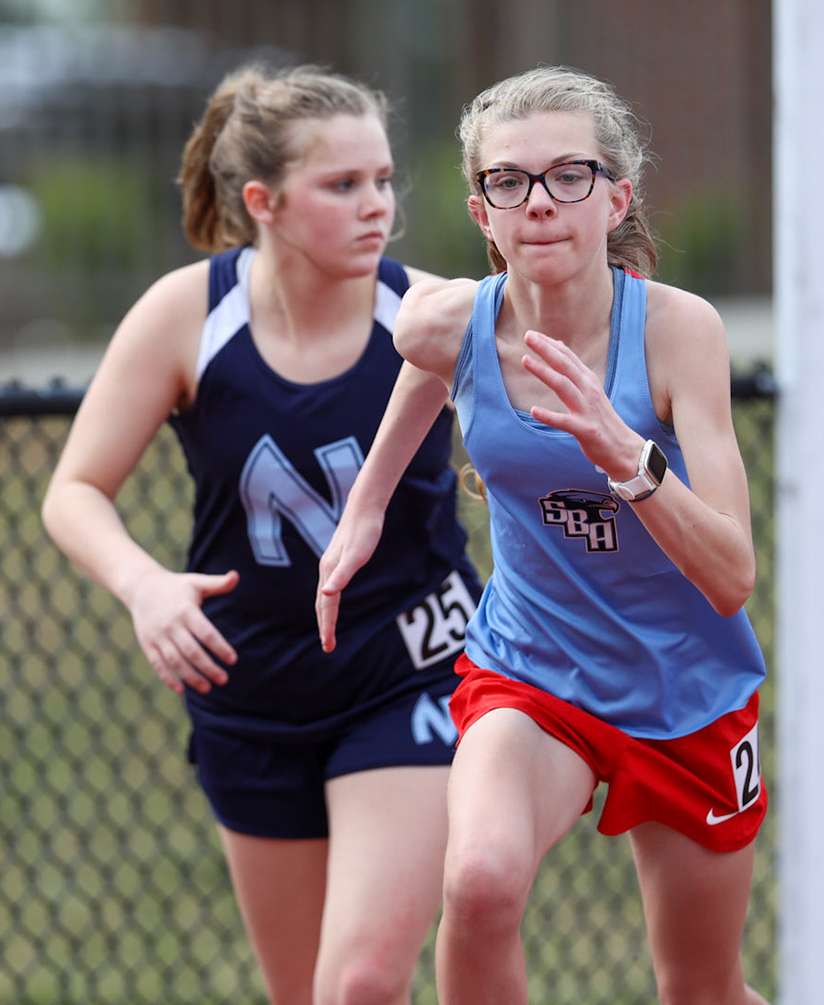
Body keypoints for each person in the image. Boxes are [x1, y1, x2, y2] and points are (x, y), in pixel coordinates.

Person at [316, 66, 769, 1005]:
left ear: (617, 196)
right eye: (509, 182)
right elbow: (426, 370)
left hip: (686, 687)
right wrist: (362, 512)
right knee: (478, 882)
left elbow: (731, 577)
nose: (541, 203)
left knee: (701, 990)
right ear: (482, 212)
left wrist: (621, 449)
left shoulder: (680, 334)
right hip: (534, 667)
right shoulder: (448, 320)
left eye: (570, 175)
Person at [40, 63, 480, 1005]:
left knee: (360, 982)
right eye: (343, 185)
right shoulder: (187, 316)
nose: (378, 208)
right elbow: (74, 489)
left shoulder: (432, 314)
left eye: (385, 180)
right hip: (251, 692)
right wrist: (143, 585)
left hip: (406, 671)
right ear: (263, 203)